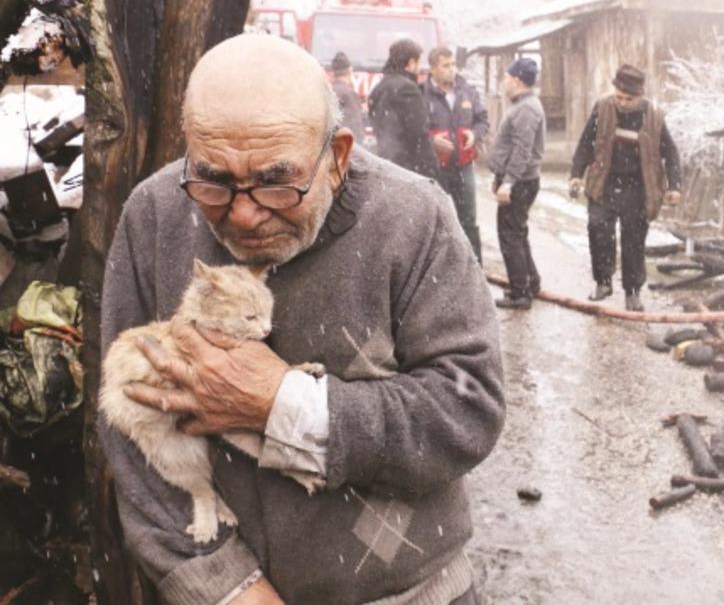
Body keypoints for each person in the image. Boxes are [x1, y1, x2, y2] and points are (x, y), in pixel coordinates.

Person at [97, 34, 503, 605]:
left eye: (275, 181)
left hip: (410, 592)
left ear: (336, 155)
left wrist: (282, 405)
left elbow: (469, 410)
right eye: (213, 179)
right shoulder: (156, 213)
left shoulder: (414, 217)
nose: (242, 213)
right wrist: (221, 585)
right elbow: (126, 427)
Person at [570, 64, 682, 312]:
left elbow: (670, 153)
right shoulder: (603, 108)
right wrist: (576, 174)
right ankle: (603, 281)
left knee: (633, 240)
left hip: (638, 188)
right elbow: (586, 142)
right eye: (618, 96)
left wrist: (674, 185)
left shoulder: (653, 116)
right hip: (605, 183)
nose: (621, 102)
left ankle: (632, 292)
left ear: (639, 96)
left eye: (628, 99)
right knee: (597, 228)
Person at [487, 57, 545, 310]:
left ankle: (520, 293)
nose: (504, 82)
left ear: (517, 80)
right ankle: (530, 282)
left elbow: (522, 150)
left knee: (510, 235)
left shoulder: (526, 109)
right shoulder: (523, 105)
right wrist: (499, 177)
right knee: (517, 232)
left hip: (520, 181)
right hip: (517, 179)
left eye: (507, 78)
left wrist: (508, 182)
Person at [423, 46, 488, 264]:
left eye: (453, 65)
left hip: (464, 166)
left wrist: (474, 133)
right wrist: (432, 141)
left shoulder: (467, 90)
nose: (452, 70)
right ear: (433, 69)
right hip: (436, 168)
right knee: (437, 220)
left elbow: (482, 120)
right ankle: (440, 268)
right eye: (446, 66)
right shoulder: (422, 94)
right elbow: (415, 129)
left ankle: (475, 269)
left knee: (468, 219)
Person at [368, 38, 437, 177]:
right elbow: (418, 134)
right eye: (418, 63)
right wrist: (431, 170)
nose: (419, 69)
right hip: (407, 168)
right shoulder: (408, 88)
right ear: (410, 63)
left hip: (385, 164)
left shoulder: (378, 88)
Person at [330, 51, 367, 145]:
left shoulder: (328, 90)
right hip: (344, 147)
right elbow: (355, 127)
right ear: (350, 71)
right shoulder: (349, 94)